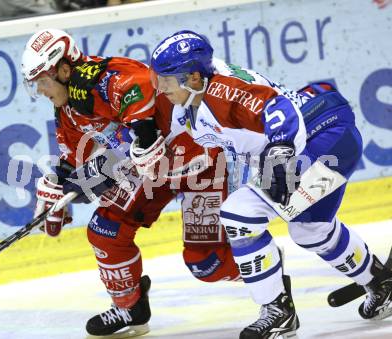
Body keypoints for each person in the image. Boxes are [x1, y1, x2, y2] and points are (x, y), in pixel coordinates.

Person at [148, 30, 392, 339]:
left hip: (321, 137)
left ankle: (278, 312)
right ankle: (380, 282)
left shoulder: (221, 90)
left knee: (238, 216)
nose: (162, 88)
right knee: (310, 230)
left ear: (193, 77)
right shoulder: (191, 103)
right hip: (329, 139)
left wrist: (280, 152)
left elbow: (279, 111)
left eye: (167, 81)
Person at [21, 28, 242, 338]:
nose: (41, 91)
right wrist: (57, 183)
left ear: (64, 69)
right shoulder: (67, 110)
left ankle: (267, 272)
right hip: (147, 168)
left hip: (193, 162)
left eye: (42, 81)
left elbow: (142, 117)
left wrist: (90, 176)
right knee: (105, 231)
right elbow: (76, 160)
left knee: (206, 263)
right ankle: (131, 308)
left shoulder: (107, 77)